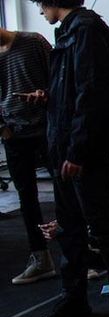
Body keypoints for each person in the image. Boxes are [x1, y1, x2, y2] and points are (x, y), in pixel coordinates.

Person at [26, 0, 109, 317]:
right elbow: (76, 91)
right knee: (71, 231)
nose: (40, 12)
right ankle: (74, 299)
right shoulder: (69, 34)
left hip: (81, 153)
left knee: (102, 228)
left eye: (40, 5)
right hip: (65, 148)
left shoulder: (84, 31)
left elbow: (91, 96)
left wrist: (76, 151)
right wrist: (49, 97)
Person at [0, 25, 57, 285]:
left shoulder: (32, 42)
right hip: (14, 133)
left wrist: (45, 95)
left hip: (45, 128)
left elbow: (59, 77)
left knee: (66, 190)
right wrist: (2, 128)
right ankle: (40, 257)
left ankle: (82, 253)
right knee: (27, 197)